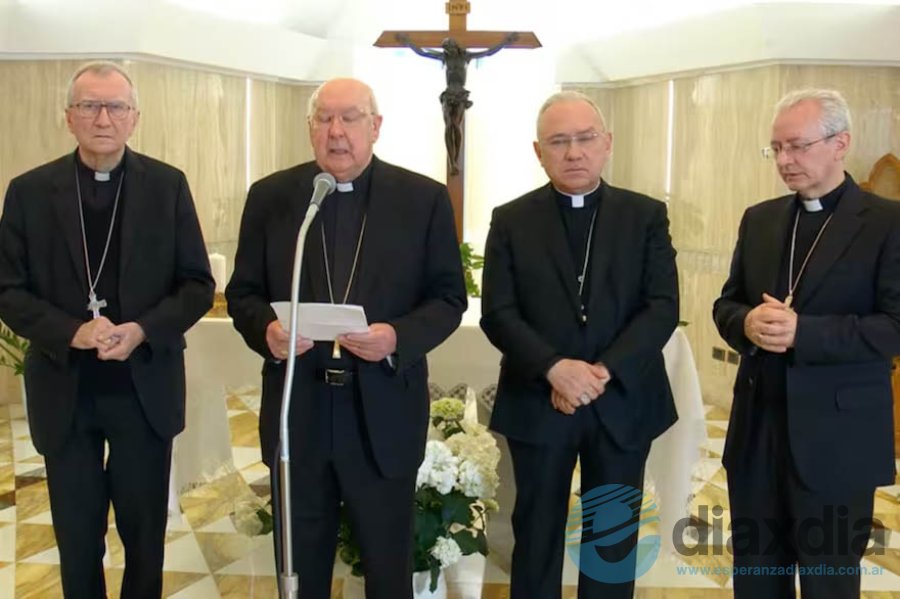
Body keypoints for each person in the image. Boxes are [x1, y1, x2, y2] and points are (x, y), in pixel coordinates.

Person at [225, 77, 466, 599]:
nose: (336, 132)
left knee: (387, 566)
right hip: (300, 409)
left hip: (380, 411)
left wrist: (397, 337)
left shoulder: (421, 199)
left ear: (375, 127)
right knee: (300, 566)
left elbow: (450, 298)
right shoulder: (273, 198)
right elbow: (242, 293)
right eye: (324, 119)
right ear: (310, 128)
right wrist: (265, 330)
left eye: (350, 118)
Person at [0, 61, 214, 597]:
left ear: (134, 118)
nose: (102, 118)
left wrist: (142, 329)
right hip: (64, 386)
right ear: (68, 117)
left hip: (143, 386)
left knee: (144, 535)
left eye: (115, 106)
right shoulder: (29, 192)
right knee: (77, 536)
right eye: (89, 106)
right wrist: (72, 332)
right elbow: (8, 290)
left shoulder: (167, 186)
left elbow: (196, 285)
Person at [480, 90, 679, 598]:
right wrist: (553, 369)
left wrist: (597, 373)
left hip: (621, 400)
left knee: (612, 542)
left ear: (606, 143)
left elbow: (661, 308)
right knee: (537, 534)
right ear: (538, 151)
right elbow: (497, 313)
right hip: (538, 401)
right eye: (559, 141)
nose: (574, 152)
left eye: (585, 139)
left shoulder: (645, 215)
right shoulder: (511, 219)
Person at [713, 88, 900, 599]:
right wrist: (746, 322)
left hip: (838, 441)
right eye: (776, 148)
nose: (785, 160)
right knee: (756, 579)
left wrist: (806, 333)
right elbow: (725, 305)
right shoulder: (761, 219)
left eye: (797, 146)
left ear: (840, 143)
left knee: (829, 583)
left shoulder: (887, 223)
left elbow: (894, 326)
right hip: (758, 435)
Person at [396, 33, 518, 175]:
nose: (448, 51)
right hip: (448, 94)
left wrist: (505, 42)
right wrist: (407, 42)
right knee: (448, 125)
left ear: (455, 46)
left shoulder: (466, 57)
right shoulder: (444, 57)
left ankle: (456, 158)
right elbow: (422, 53)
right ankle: (451, 161)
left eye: (450, 48)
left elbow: (488, 52)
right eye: (446, 49)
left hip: (460, 95)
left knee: (456, 125)